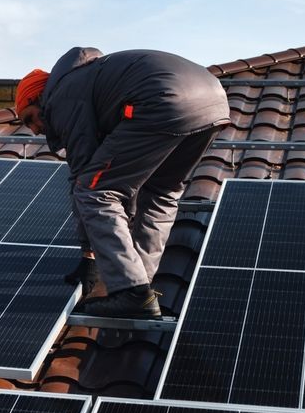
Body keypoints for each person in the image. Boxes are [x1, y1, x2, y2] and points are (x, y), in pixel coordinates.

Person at [15, 48, 229, 319]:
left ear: (39, 97)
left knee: (95, 191)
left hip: (162, 99)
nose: (33, 130)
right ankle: (141, 284)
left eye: (30, 118)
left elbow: (86, 177)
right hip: (214, 101)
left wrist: (89, 253)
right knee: (161, 192)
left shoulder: (61, 96)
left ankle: (131, 291)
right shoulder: (88, 79)